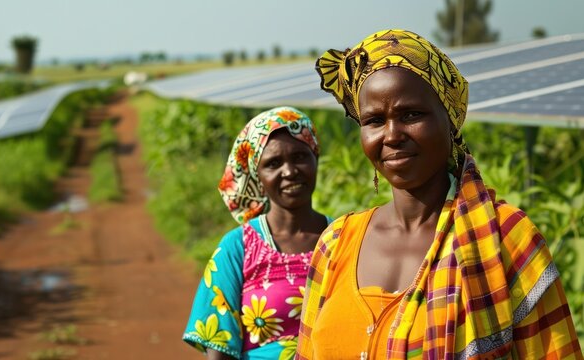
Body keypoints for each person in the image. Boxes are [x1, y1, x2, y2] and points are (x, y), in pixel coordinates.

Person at [296, 29, 582, 359]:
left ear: (449, 119)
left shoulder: (507, 239)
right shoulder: (335, 243)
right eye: (374, 120)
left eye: (411, 115)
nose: (392, 135)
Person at [183, 106, 332, 359]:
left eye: (299, 156)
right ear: (257, 174)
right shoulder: (237, 247)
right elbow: (219, 345)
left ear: (315, 157)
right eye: (273, 163)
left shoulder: (344, 238)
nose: (290, 171)